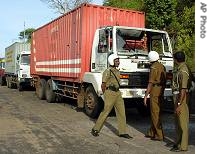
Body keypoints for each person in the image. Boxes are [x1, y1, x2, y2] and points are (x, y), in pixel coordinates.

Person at [91, 54, 133, 139]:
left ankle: (122, 132)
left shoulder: (117, 70)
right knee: (106, 112)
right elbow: (103, 84)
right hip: (110, 92)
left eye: (118, 60)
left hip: (117, 93)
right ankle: (95, 129)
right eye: (116, 60)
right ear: (112, 61)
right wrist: (105, 94)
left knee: (122, 112)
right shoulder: (108, 71)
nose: (118, 62)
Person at [170, 51, 190, 152]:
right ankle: (177, 143)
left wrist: (179, 104)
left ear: (176, 60)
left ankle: (183, 146)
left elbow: (183, 89)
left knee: (183, 123)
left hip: (181, 98)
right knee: (177, 122)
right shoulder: (179, 69)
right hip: (177, 96)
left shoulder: (183, 71)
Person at [144, 51, 166, 141]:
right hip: (161, 90)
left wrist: (146, 96)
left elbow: (150, 82)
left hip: (155, 91)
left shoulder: (153, 67)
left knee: (154, 113)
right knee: (157, 112)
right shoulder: (162, 66)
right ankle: (152, 132)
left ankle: (159, 135)